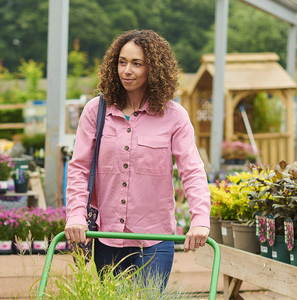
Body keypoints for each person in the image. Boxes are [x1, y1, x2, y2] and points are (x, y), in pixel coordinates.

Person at [64, 29, 211, 286]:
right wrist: (75, 216)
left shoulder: (174, 116)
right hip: (106, 235)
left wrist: (200, 220)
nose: (126, 71)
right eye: (122, 62)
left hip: (154, 238)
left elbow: (192, 171)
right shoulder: (95, 111)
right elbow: (79, 169)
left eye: (136, 63)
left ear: (153, 68)